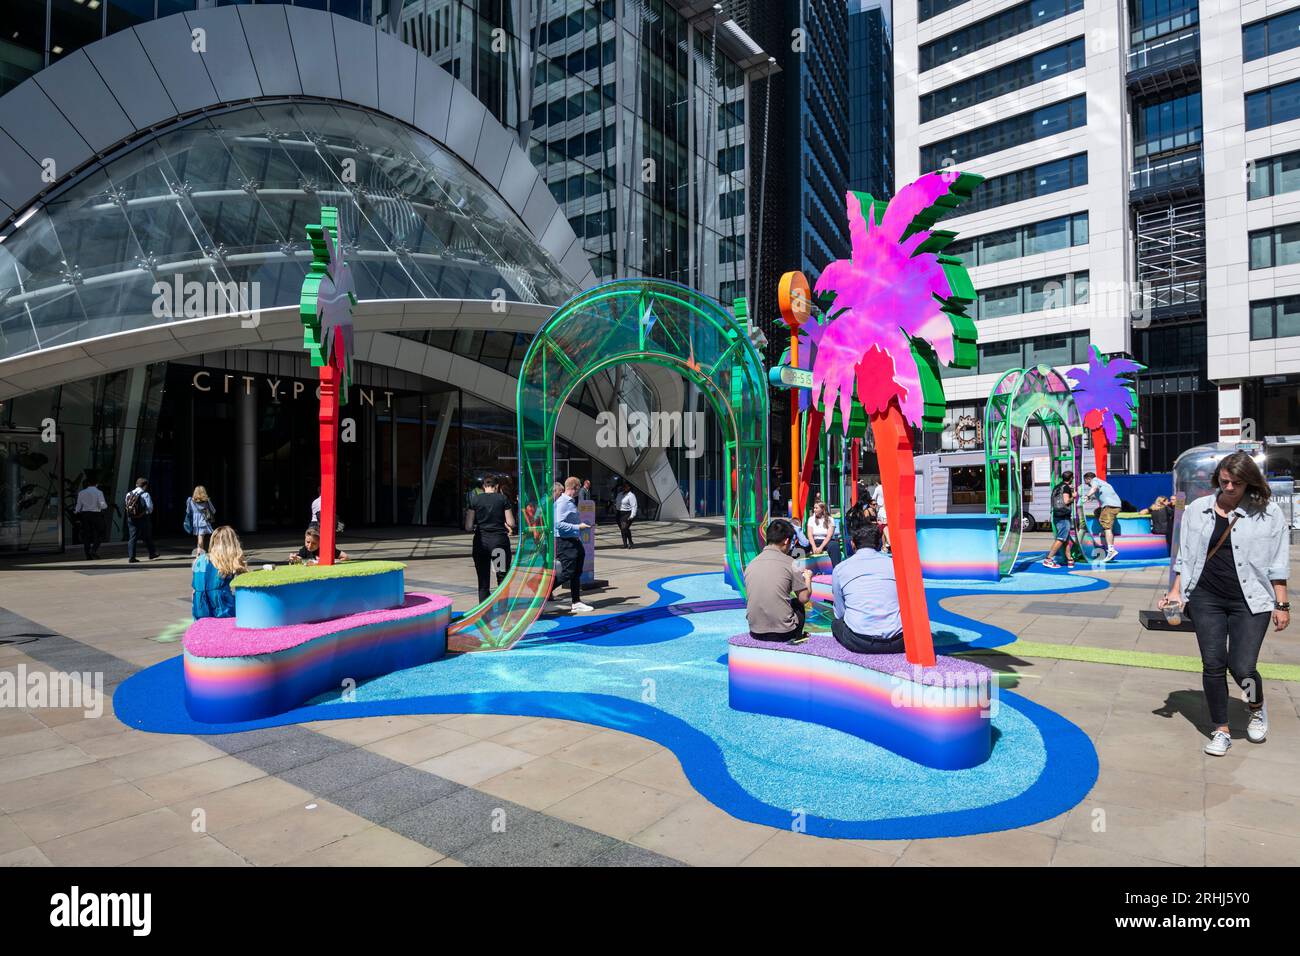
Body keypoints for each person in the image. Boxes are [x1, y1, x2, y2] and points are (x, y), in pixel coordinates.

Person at [1159, 451, 1290, 757]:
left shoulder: (1268, 513)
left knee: (1243, 666)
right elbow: (1184, 556)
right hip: (1206, 598)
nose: (1230, 488)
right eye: (1225, 480)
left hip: (1251, 599)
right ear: (1217, 477)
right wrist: (1176, 591)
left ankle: (1256, 706)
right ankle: (1221, 729)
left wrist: (1281, 604)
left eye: (1238, 483)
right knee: (1213, 664)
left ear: (1250, 483)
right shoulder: (1197, 510)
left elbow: (1278, 563)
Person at [831, 525, 905, 654]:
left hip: (859, 640)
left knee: (836, 624)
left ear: (853, 544)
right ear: (879, 543)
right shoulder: (895, 565)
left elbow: (839, 611)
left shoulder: (841, 569)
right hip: (897, 640)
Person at [743, 519, 813, 642]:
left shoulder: (751, 564)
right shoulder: (791, 563)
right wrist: (808, 578)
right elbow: (804, 598)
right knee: (797, 603)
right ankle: (797, 637)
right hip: (783, 633)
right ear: (786, 540)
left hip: (755, 630)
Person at [466, 476, 516, 603]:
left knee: (483, 581)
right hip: (499, 543)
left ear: (484, 486)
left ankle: (484, 613)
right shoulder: (502, 499)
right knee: (501, 577)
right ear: (497, 486)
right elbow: (511, 523)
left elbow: (468, 526)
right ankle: (502, 611)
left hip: (481, 543)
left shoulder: (475, 499)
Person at [551, 477, 592, 612]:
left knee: (576, 571)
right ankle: (543, 593)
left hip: (573, 540)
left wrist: (580, 527)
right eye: (579, 488)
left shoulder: (568, 502)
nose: (579, 491)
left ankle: (576, 602)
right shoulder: (563, 502)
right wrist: (578, 527)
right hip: (565, 541)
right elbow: (558, 523)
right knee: (569, 572)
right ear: (574, 487)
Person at [192, 526, 247, 619]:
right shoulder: (230, 560)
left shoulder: (199, 560)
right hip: (222, 607)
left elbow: (194, 590)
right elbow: (245, 586)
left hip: (200, 606)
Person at [1081, 471, 1122, 561]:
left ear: (1089, 479)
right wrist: (1091, 498)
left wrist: (1087, 496)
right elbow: (1101, 494)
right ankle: (1106, 532)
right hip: (1113, 505)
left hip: (1110, 506)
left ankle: (1111, 550)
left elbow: (1094, 488)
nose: (1086, 483)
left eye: (1086, 481)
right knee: (1098, 513)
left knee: (1107, 526)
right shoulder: (1103, 483)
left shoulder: (1094, 481)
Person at [1042, 471, 1077, 570]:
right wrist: (1073, 497)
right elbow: (1066, 501)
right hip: (1064, 515)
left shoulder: (1057, 487)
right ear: (1071, 478)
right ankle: (1048, 559)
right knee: (1061, 538)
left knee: (1065, 538)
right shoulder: (1065, 488)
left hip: (1057, 514)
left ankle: (1069, 559)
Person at [124, 478, 159, 563]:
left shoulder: (129, 494)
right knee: (147, 535)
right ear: (145, 486)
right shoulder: (145, 494)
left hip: (131, 518)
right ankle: (152, 553)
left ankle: (131, 557)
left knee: (132, 537)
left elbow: (126, 505)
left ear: (136, 484)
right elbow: (150, 508)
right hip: (143, 518)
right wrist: (144, 513)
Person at [74, 477, 109, 560]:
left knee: (87, 535)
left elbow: (78, 506)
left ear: (88, 483)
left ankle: (88, 555)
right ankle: (93, 549)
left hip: (85, 515)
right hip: (96, 515)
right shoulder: (99, 492)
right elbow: (103, 505)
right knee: (101, 532)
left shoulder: (81, 492)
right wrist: (104, 507)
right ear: (96, 484)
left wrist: (76, 512)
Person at [807, 500, 842, 566]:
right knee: (804, 544)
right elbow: (810, 534)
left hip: (826, 541)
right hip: (815, 541)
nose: (814, 510)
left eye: (816, 508)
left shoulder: (830, 519)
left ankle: (836, 568)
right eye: (814, 508)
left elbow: (829, 536)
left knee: (834, 546)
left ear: (822, 509)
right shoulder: (811, 519)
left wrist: (821, 547)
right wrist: (814, 547)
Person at [185, 485, 216, 556]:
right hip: (203, 520)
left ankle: (200, 553)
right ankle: (200, 553)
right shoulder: (206, 501)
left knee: (200, 537)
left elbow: (188, 511)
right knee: (201, 538)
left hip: (195, 522)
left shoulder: (190, 500)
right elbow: (213, 511)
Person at [614, 482, 637, 549]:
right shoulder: (620, 494)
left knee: (625, 528)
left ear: (629, 487)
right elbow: (617, 502)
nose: (625, 488)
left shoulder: (631, 495)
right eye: (624, 486)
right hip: (619, 513)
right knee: (622, 529)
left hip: (627, 513)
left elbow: (634, 506)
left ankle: (631, 542)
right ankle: (625, 544)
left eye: (626, 486)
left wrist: (632, 515)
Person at [871, 479, 890, 553]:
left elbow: (873, 497)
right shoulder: (888, 487)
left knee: (883, 527)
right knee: (886, 526)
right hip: (888, 509)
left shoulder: (878, 488)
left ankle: (885, 546)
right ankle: (886, 545)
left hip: (881, 508)